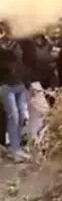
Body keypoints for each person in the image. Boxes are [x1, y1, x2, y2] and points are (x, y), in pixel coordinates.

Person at [0, 21, 30, 158]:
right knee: (14, 116)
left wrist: (26, 82)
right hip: (6, 85)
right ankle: (14, 149)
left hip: (19, 84)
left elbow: (21, 63)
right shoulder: (5, 48)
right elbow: (7, 57)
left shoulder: (16, 45)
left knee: (21, 117)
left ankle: (16, 146)